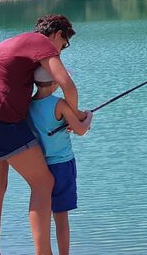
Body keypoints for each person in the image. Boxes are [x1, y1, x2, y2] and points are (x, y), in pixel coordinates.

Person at [0, 14, 88, 255]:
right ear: (57, 34)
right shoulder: (41, 43)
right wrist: (76, 115)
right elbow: (67, 84)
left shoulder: (16, 42)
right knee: (43, 182)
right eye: (62, 46)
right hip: (0, 118)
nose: (59, 52)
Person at [28, 66, 93, 255]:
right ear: (55, 83)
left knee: (43, 214)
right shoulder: (60, 104)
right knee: (61, 217)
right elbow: (81, 130)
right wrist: (89, 116)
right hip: (62, 165)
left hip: (39, 166)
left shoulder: (28, 105)